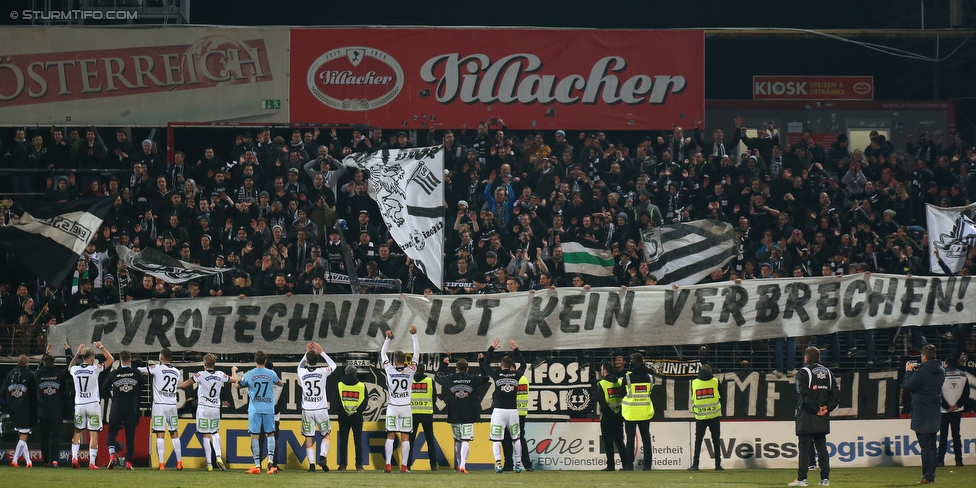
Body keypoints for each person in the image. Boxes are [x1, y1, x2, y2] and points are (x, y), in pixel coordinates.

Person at [788, 347, 839, 487]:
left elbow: (803, 394)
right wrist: (826, 408)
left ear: (806, 359)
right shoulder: (828, 373)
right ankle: (825, 479)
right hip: (822, 416)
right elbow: (835, 395)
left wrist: (815, 409)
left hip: (807, 415)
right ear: (819, 358)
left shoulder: (803, 372)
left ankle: (802, 479)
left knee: (804, 447)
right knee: (822, 447)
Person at [178, 353, 237, 471]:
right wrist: (233, 370)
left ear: (204, 364)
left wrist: (174, 386)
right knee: (215, 433)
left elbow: (184, 385)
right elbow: (234, 380)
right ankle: (219, 457)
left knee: (205, 435)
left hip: (203, 408)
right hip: (215, 408)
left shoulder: (200, 375)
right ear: (214, 364)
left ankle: (209, 464)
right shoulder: (220, 374)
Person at [435, 355, 489, 473]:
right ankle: (463, 465)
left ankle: (459, 464)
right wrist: (481, 362)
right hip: (468, 413)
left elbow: (437, 377)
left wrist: (444, 364)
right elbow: (486, 377)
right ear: (467, 369)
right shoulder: (472, 378)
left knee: (458, 440)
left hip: (454, 413)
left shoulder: (450, 378)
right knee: (465, 440)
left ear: (456, 368)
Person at [480, 338, 527, 473]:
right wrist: (516, 350)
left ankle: (499, 464)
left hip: (499, 411)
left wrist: (491, 349)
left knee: (496, 439)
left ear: (501, 365)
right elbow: (524, 365)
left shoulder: (497, 374)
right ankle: (518, 465)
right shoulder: (516, 374)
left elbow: (485, 365)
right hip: (512, 411)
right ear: (511, 365)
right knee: (516, 438)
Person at [903, 344, 946, 485]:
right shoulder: (941, 371)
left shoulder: (920, 373)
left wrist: (909, 372)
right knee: (932, 446)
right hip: (934, 412)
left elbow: (907, 386)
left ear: (924, 357)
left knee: (926, 447)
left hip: (922, 412)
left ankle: (927, 477)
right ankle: (931, 475)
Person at [379, 325, 420, 473]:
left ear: (395, 361)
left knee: (390, 435)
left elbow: (382, 354)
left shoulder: (389, 369)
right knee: (405, 437)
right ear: (404, 360)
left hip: (392, 407)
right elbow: (417, 355)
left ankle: (388, 464)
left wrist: (387, 339)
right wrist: (414, 336)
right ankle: (404, 466)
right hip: (406, 407)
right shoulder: (410, 370)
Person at [68, 341, 115, 469]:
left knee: (77, 432)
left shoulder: (75, 369)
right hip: (93, 405)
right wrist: (101, 347)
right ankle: (92, 463)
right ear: (92, 358)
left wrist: (76, 354)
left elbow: (69, 367)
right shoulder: (95, 368)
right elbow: (111, 360)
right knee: (94, 433)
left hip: (79, 405)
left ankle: (74, 458)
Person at [237, 350, 285, 474]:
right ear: (265, 361)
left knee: (255, 436)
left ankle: (257, 465)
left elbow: (238, 385)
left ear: (255, 360)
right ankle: (270, 462)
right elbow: (280, 383)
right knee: (270, 434)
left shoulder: (249, 374)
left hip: (254, 409)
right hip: (268, 408)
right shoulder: (271, 373)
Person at [138, 347, 184, 470]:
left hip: (159, 405)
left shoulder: (156, 368)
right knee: (174, 433)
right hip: (172, 406)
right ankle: (179, 463)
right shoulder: (176, 371)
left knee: (160, 434)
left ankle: (162, 464)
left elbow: (141, 370)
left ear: (160, 358)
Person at [298, 341, 336, 472]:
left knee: (309, 437)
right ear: (317, 360)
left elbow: (300, 365)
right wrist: (322, 352)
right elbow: (333, 365)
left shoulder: (302, 372)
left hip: (307, 410)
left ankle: (312, 465)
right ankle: (322, 456)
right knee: (326, 434)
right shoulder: (323, 371)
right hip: (321, 409)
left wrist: (306, 352)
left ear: (307, 360)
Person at [102, 350, 144, 470]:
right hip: (131, 408)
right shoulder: (136, 373)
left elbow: (104, 387)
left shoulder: (114, 373)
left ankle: (111, 456)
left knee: (111, 434)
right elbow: (143, 383)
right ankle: (128, 462)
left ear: (120, 360)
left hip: (117, 406)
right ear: (130, 360)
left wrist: (113, 395)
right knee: (130, 437)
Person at [34, 343, 71, 467]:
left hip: (42, 411)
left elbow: (38, 368)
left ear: (44, 363)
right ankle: (55, 460)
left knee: (44, 438)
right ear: (54, 363)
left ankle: (45, 461)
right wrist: (68, 351)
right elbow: (70, 366)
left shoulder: (38, 374)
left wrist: (46, 353)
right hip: (56, 411)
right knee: (56, 437)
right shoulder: (59, 374)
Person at [621, 352, 654, 471]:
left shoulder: (628, 378)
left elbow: (621, 394)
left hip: (630, 413)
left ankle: (629, 465)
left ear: (631, 363)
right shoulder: (650, 378)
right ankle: (648, 465)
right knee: (646, 438)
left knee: (630, 440)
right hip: (645, 412)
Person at [2, 354, 36, 467]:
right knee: (24, 435)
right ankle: (15, 460)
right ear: (27, 363)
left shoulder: (10, 373)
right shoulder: (30, 374)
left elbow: (2, 390)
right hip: (25, 408)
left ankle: (28, 461)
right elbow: (34, 392)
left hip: (12, 407)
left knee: (21, 434)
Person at [689, 364, 723, 471]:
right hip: (714, 415)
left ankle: (695, 464)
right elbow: (721, 395)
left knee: (698, 441)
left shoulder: (694, 382)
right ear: (711, 370)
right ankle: (717, 465)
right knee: (716, 440)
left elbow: (693, 397)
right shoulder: (715, 381)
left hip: (700, 417)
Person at [595, 360, 628, 471]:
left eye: (601, 369)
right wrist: (617, 413)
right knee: (619, 441)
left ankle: (611, 465)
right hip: (619, 414)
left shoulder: (601, 384)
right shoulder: (619, 382)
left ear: (605, 371)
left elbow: (602, 403)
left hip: (607, 417)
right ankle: (625, 464)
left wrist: (610, 414)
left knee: (608, 442)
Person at [408, 363, 440, 471]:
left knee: (410, 441)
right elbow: (434, 398)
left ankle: (407, 465)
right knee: (430, 441)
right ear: (424, 370)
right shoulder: (430, 381)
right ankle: (433, 466)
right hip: (427, 414)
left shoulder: (409, 380)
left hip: (412, 414)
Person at [938, 356, 969, 467]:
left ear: (946, 363)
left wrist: (947, 406)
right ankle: (959, 461)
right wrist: (957, 405)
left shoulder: (941, 374)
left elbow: (938, 393)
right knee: (956, 435)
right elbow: (966, 393)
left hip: (944, 410)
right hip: (957, 410)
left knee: (943, 436)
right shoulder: (963, 375)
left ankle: (940, 460)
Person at [335, 365, 366, 471]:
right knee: (358, 441)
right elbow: (364, 402)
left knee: (343, 441)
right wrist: (356, 412)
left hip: (343, 418)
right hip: (357, 417)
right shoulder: (362, 386)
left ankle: (343, 465)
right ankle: (359, 465)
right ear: (355, 373)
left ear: (345, 372)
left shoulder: (339, 385)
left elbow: (336, 402)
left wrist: (344, 413)